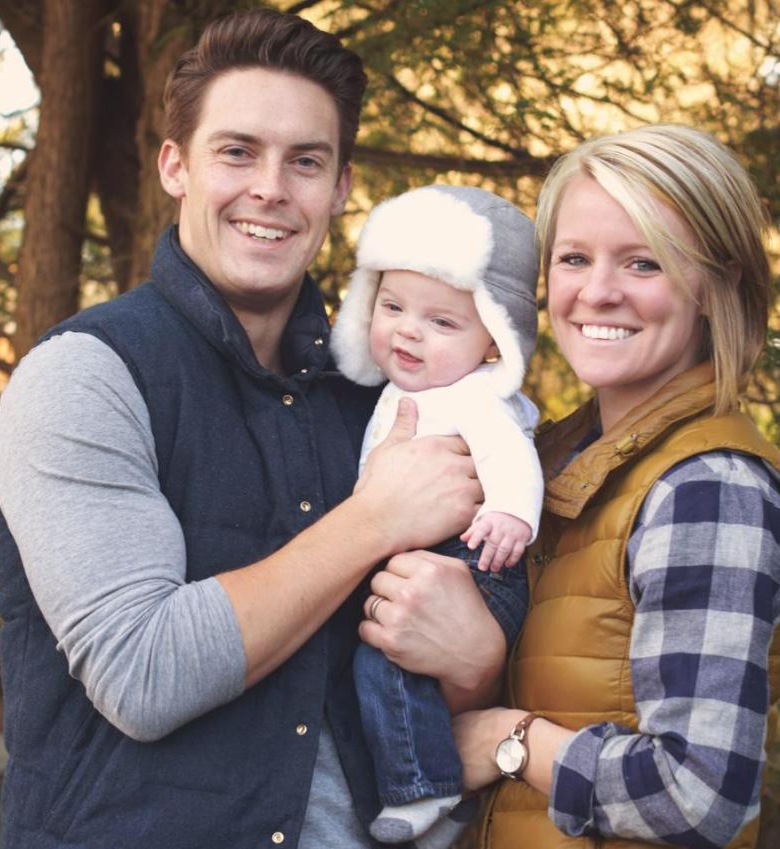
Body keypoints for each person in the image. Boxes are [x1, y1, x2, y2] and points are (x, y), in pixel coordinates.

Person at [0, 10, 503, 849]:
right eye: (237, 151)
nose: (270, 187)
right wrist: (372, 519)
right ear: (175, 166)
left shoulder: (377, 403)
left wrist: (477, 657)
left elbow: (411, 674)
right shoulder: (84, 376)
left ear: (338, 189)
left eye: (306, 161)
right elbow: (142, 673)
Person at [438, 124, 780, 849]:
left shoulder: (709, 486)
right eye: (574, 258)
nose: (597, 292)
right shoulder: (550, 460)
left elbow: (698, 794)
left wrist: (509, 740)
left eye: (643, 263)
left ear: (714, 284)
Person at [330, 185, 543, 844]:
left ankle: (423, 789)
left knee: (386, 666)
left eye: (442, 322)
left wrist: (511, 512)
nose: (409, 330)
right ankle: (426, 784)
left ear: (491, 343)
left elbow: (511, 454)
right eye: (391, 307)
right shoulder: (395, 392)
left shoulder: (475, 395)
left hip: (479, 562)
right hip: (420, 564)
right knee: (380, 665)